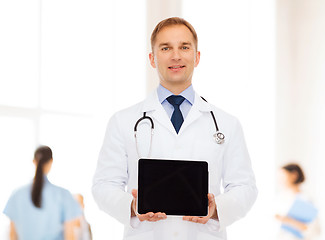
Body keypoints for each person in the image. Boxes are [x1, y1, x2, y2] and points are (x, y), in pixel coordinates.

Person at [92, 17, 257, 240]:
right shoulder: (123, 121)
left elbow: (245, 187)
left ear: (197, 57)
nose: (176, 55)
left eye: (184, 47)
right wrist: (131, 206)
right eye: (166, 48)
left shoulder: (226, 123)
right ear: (152, 58)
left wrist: (216, 208)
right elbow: (104, 185)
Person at [3, 146, 82, 240]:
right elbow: (70, 236)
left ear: (34, 161)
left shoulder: (17, 195)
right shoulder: (63, 195)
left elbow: (12, 235)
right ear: (51, 162)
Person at [275, 163, 321, 240]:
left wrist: (288, 220)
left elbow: (315, 230)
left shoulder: (306, 199)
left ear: (294, 175)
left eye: (282, 176)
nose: (280, 180)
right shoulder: (280, 198)